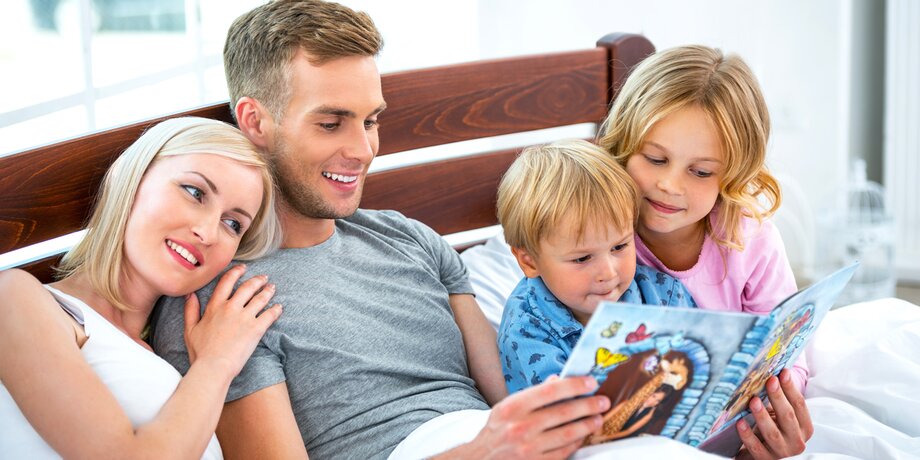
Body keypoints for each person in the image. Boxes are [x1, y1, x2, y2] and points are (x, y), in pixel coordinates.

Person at [151, 2, 610, 460]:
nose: (364, 149)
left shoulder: (409, 240)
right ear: (255, 121)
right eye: (330, 124)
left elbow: (510, 394)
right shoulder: (224, 303)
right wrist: (484, 452)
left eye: (370, 121)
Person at [0, 117, 284, 458]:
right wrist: (216, 365)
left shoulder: (172, 360)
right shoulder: (17, 297)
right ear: (129, 179)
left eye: (233, 223)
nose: (208, 233)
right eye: (195, 192)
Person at [597, 45, 813, 459]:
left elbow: (787, 354)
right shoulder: (597, 238)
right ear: (624, 144)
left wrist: (774, 416)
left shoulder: (751, 241)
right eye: (655, 158)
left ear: (732, 174)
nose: (670, 185)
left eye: (700, 171)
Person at [495, 139, 696, 394]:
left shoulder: (663, 293)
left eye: (619, 247)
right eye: (582, 259)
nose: (609, 273)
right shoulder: (526, 331)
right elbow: (561, 411)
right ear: (529, 261)